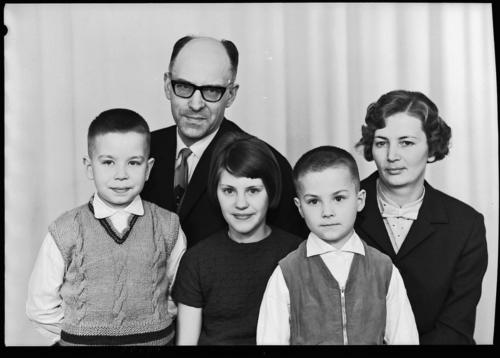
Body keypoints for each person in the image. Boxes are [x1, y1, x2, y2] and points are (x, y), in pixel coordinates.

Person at [26, 109, 187, 346]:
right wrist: (76, 336)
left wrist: (156, 323)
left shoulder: (167, 225)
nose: (121, 175)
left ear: (148, 168)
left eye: (133, 162)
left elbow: (180, 294)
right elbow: (40, 306)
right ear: (90, 167)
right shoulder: (66, 229)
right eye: (108, 162)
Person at [141, 35, 307, 248]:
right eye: (183, 87)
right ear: (167, 85)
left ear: (231, 95)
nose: (195, 104)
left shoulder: (268, 162)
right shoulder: (139, 151)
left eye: (211, 91)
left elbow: (290, 254)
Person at [354, 90, 488, 344]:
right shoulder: (338, 207)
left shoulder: (466, 225)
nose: (392, 155)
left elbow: (455, 330)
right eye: (382, 142)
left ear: (432, 149)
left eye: (406, 142)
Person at [257, 146, 419, 345]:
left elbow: (405, 338)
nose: (327, 212)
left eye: (339, 198)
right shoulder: (287, 273)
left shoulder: (383, 269)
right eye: (314, 201)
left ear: (359, 201)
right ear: (300, 208)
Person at [172, 133, 302, 345]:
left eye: (252, 190)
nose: (240, 204)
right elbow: (187, 342)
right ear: (216, 192)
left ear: (271, 191)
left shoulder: (297, 254)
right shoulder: (197, 260)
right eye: (229, 191)